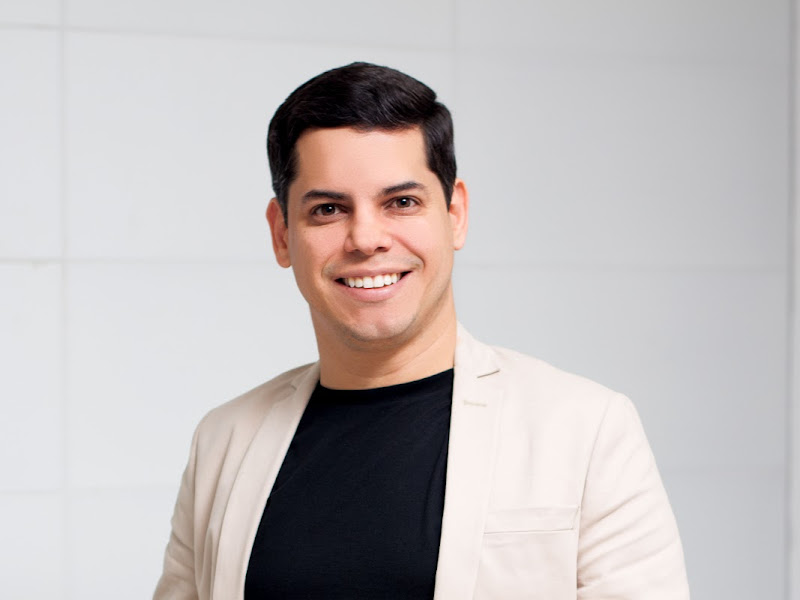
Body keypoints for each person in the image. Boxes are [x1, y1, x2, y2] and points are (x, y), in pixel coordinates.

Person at [154, 62, 690, 599]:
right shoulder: (224, 440)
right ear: (281, 234)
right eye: (328, 209)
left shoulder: (585, 430)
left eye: (402, 203)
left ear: (455, 214)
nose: (366, 238)